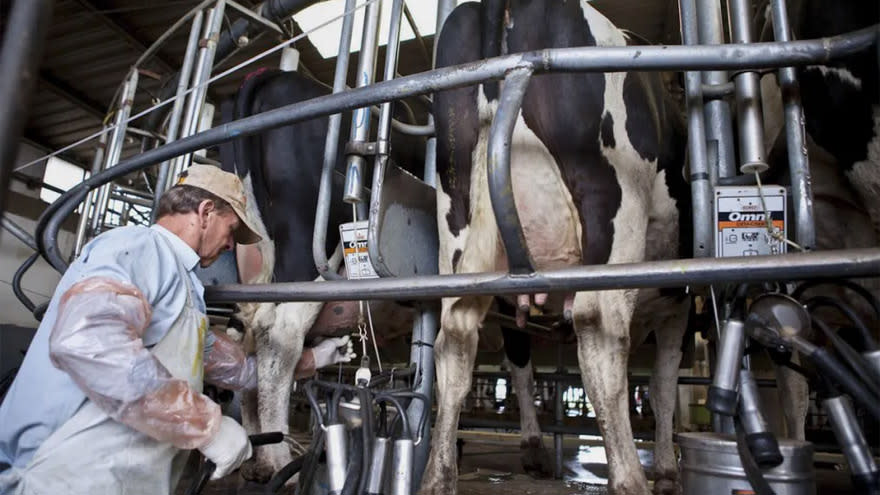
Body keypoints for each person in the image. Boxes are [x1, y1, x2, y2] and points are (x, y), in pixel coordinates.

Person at [0, 165, 353, 494]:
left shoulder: (184, 289)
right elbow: (88, 343)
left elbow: (237, 369)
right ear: (204, 213)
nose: (231, 245)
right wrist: (206, 426)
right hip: (61, 474)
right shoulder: (137, 248)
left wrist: (312, 358)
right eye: (231, 230)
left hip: (112, 477)